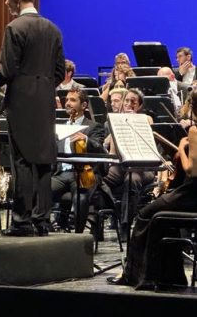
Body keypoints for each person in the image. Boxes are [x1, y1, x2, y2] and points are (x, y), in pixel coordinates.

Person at [0, 0, 65, 236]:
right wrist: (43, 85)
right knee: (44, 161)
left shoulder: (15, 28)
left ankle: (22, 222)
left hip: (22, 104)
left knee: (24, 161)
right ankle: (42, 220)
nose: (5, 3)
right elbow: (59, 72)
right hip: (46, 102)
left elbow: (7, 70)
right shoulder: (53, 29)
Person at [108, 90, 197, 289]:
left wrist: (182, 148)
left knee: (145, 214)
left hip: (192, 193)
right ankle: (169, 276)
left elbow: (192, 170)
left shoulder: (194, 131)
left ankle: (139, 275)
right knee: (164, 219)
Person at [103, 88, 155, 238]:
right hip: (120, 164)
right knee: (100, 179)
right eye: (127, 100)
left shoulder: (146, 118)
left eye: (133, 101)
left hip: (142, 166)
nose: (129, 104)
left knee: (131, 180)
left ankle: (125, 224)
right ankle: (110, 212)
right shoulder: (115, 119)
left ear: (139, 105)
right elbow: (112, 151)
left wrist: (133, 119)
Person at [52, 87, 105, 233]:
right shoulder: (59, 126)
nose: (68, 103)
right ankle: (43, 228)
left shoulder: (94, 126)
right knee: (42, 190)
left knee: (81, 199)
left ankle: (78, 237)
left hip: (83, 173)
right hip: (61, 173)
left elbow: (100, 148)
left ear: (84, 105)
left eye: (73, 100)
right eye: (67, 100)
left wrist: (86, 139)